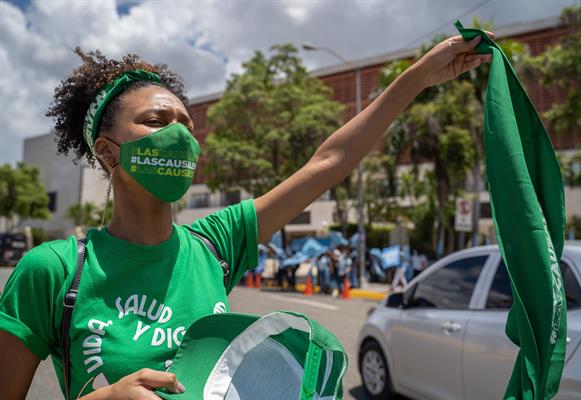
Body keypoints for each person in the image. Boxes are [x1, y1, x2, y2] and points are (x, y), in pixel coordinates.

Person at [0, 33, 492, 399]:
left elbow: (328, 163)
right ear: (107, 153)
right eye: (156, 122)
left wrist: (418, 78)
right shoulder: (54, 271)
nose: (180, 136)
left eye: (187, 126)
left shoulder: (215, 243)